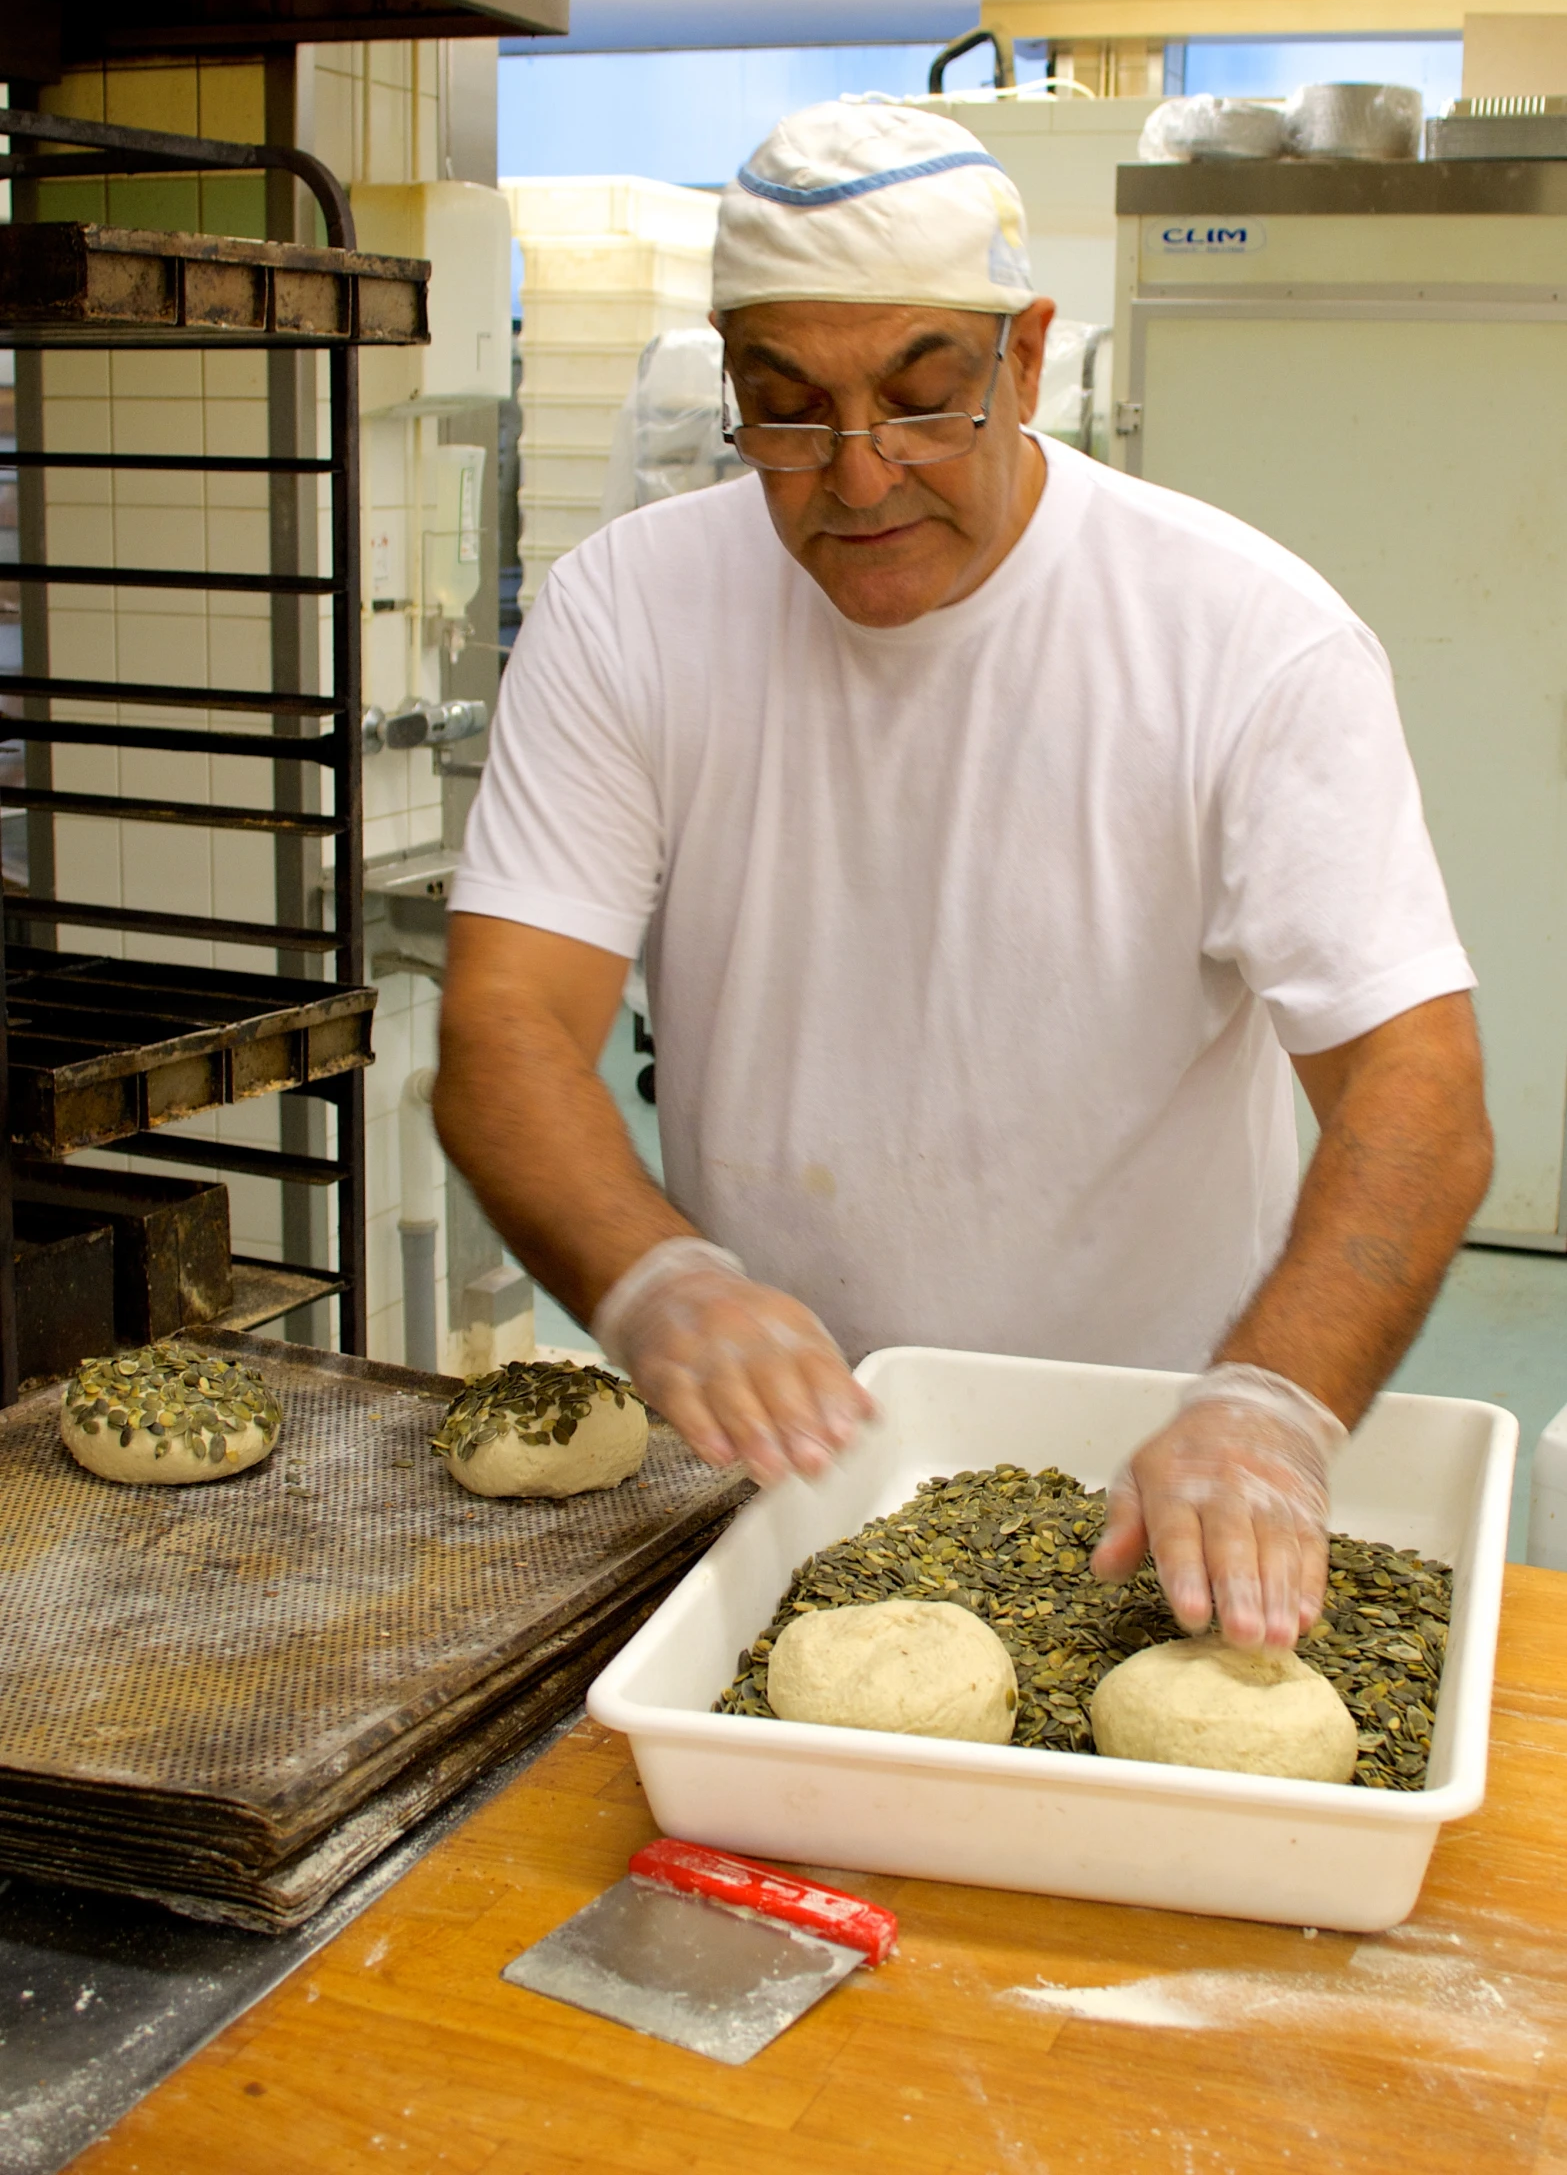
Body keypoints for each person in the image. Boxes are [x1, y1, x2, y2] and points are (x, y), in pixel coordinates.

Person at [437, 99, 1491, 1655]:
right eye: (787, 412)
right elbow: (505, 1028)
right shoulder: (629, 615)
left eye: (924, 403)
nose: (858, 479)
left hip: (1155, 1474)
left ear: (1025, 357)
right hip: (788, 1460)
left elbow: (1417, 1088)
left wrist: (1271, 1403)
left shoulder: (1239, 638)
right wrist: (656, 1277)